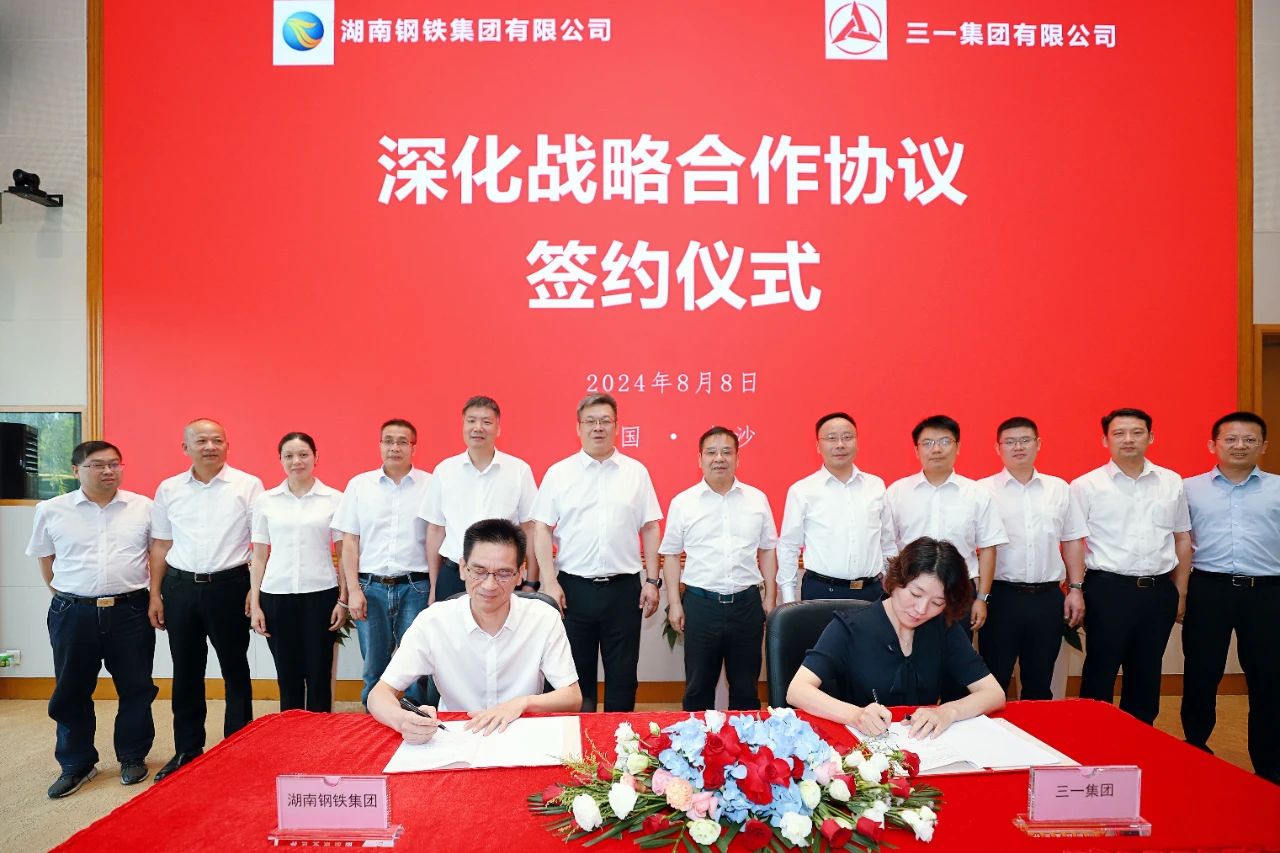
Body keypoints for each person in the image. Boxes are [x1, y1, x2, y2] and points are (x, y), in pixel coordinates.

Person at [369, 519, 581, 741]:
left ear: (520, 573)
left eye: (503, 573)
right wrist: (403, 720)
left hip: (520, 735)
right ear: (463, 568)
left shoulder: (543, 618)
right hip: (455, 737)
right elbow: (379, 695)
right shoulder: (433, 622)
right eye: (479, 571)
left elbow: (572, 697)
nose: (489, 585)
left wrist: (521, 703)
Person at [26, 441, 158, 797]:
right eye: (97, 465)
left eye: (115, 463)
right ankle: (77, 763)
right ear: (76, 470)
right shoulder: (51, 510)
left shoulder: (143, 507)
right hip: (73, 612)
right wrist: (66, 596)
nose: (108, 471)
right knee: (71, 690)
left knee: (136, 687)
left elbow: (157, 553)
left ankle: (132, 756)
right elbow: (45, 558)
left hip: (130, 610)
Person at [786, 537, 1005, 737]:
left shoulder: (943, 627)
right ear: (896, 580)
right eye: (915, 594)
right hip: (863, 746)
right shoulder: (850, 627)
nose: (921, 609)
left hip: (921, 744)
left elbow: (994, 693)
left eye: (937, 603)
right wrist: (855, 715)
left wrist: (948, 711)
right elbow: (797, 690)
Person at [531, 393, 663, 712]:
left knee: (623, 676)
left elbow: (650, 527)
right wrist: (549, 581)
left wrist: (652, 580)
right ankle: (579, 742)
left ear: (617, 426)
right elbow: (541, 527)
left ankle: (621, 740)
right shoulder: (559, 473)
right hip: (573, 590)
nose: (598, 427)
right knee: (574, 678)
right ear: (578, 428)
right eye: (590, 421)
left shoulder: (636, 472)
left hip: (624, 590)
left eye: (605, 421)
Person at [149, 419, 263, 781]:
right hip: (180, 587)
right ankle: (187, 748)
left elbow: (261, 543)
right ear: (186, 448)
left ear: (227, 445)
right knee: (185, 669)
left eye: (217, 440)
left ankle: (238, 745)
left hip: (230, 585)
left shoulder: (248, 485)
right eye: (201, 441)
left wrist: (255, 589)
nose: (210, 446)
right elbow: (161, 544)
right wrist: (155, 593)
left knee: (235, 667)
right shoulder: (169, 489)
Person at [1069, 407, 1191, 725]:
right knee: (1100, 669)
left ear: (1150, 437)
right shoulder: (1086, 485)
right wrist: (1076, 589)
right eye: (1119, 433)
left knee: (1147, 672)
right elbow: (1074, 541)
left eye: (1137, 433)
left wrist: (1180, 592)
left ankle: (1140, 739)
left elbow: (1182, 538)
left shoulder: (1170, 482)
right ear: (1105, 440)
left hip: (1158, 591)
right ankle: (1094, 738)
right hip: (1108, 590)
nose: (1128, 439)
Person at [1181, 411, 1280, 784]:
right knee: (1201, 674)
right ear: (1213, 444)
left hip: (1267, 593)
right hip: (1209, 589)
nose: (1240, 446)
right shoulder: (1189, 489)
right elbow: (1178, 542)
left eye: (1250, 439)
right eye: (1231, 439)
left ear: (1263, 445)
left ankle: (1268, 767)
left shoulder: (1278, 488)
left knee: (1268, 680)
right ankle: (1195, 750)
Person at [886, 414, 1007, 701]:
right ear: (916, 450)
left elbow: (988, 548)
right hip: (911, 594)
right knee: (909, 659)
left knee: (956, 664)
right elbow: (888, 545)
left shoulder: (977, 494)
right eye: (927, 443)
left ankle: (953, 716)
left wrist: (982, 598)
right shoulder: (897, 492)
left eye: (944, 441)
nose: (936, 449)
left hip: (958, 592)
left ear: (958, 447)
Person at [661, 426, 779, 711]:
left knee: (746, 688)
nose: (719, 458)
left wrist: (770, 597)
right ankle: (695, 738)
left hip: (746, 605)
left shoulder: (757, 499)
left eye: (727, 452)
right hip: (701, 606)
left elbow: (767, 549)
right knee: (698, 687)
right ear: (699, 459)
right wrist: (674, 603)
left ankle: (745, 739)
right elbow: (671, 555)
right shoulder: (683, 502)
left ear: (737, 458)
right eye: (711, 452)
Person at [978, 417, 1088, 699]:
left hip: (1047, 598)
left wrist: (1075, 589)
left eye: (1025, 440)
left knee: (1040, 682)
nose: (1018, 447)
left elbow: (1072, 540)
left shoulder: (1059, 489)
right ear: (998, 448)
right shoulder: (982, 491)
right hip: (1000, 597)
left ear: (1038, 444)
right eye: (1010, 442)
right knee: (994, 680)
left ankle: (1035, 728)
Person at [332, 419, 433, 707]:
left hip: (416, 587)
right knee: (373, 668)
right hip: (370, 588)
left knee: (415, 669)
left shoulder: (430, 485)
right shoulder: (359, 485)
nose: (394, 447)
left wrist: (435, 589)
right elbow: (350, 541)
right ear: (379, 445)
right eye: (388, 441)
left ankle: (415, 723)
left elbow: (437, 537)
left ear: (413, 447)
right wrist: (353, 590)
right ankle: (374, 726)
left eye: (402, 441)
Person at [248, 432, 345, 712]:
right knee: (287, 672)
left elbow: (344, 552)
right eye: (289, 456)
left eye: (303, 454)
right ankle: (290, 732)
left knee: (319, 672)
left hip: (321, 594)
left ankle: (319, 731)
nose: (296, 461)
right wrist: (256, 604)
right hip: (276, 594)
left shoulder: (334, 499)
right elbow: (259, 555)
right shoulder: (266, 500)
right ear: (280, 460)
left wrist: (343, 599)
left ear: (316, 457)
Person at [420, 396, 538, 603]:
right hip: (454, 574)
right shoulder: (445, 470)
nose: (478, 428)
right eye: (471, 421)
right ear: (463, 426)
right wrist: (434, 585)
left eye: (486, 422)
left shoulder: (519, 470)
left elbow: (529, 528)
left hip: (502, 576)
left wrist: (532, 582)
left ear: (498, 429)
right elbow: (436, 529)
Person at [777, 412, 893, 604]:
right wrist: (789, 600)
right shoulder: (802, 490)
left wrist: (893, 589)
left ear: (857, 442)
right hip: (822, 592)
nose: (840, 444)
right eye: (831, 438)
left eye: (847, 437)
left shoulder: (876, 486)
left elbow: (888, 543)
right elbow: (789, 547)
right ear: (818, 446)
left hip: (871, 592)